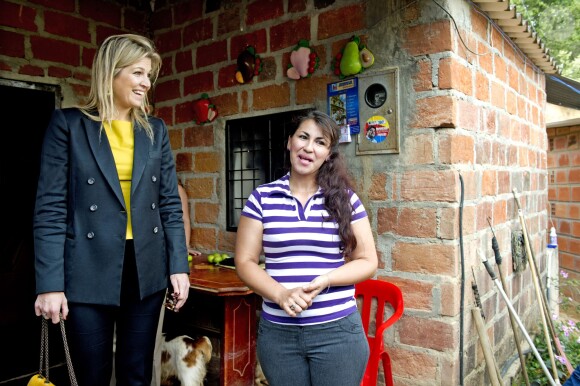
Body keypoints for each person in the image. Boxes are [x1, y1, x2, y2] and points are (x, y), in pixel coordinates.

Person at [33, 34, 190, 386]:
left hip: (145, 268)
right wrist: (49, 284)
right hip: (88, 268)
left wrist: (178, 264)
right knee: (91, 375)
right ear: (111, 72)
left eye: (148, 75)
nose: (146, 83)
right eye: (138, 73)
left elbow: (168, 202)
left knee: (137, 374)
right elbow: (50, 210)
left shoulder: (156, 132)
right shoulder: (68, 126)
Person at [234, 110, 378, 386]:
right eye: (303, 137)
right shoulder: (262, 198)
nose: (309, 148)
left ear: (328, 153)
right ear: (290, 142)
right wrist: (281, 294)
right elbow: (245, 261)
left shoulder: (345, 200)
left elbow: (367, 261)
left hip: (338, 333)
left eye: (320, 142)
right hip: (279, 335)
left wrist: (327, 280)